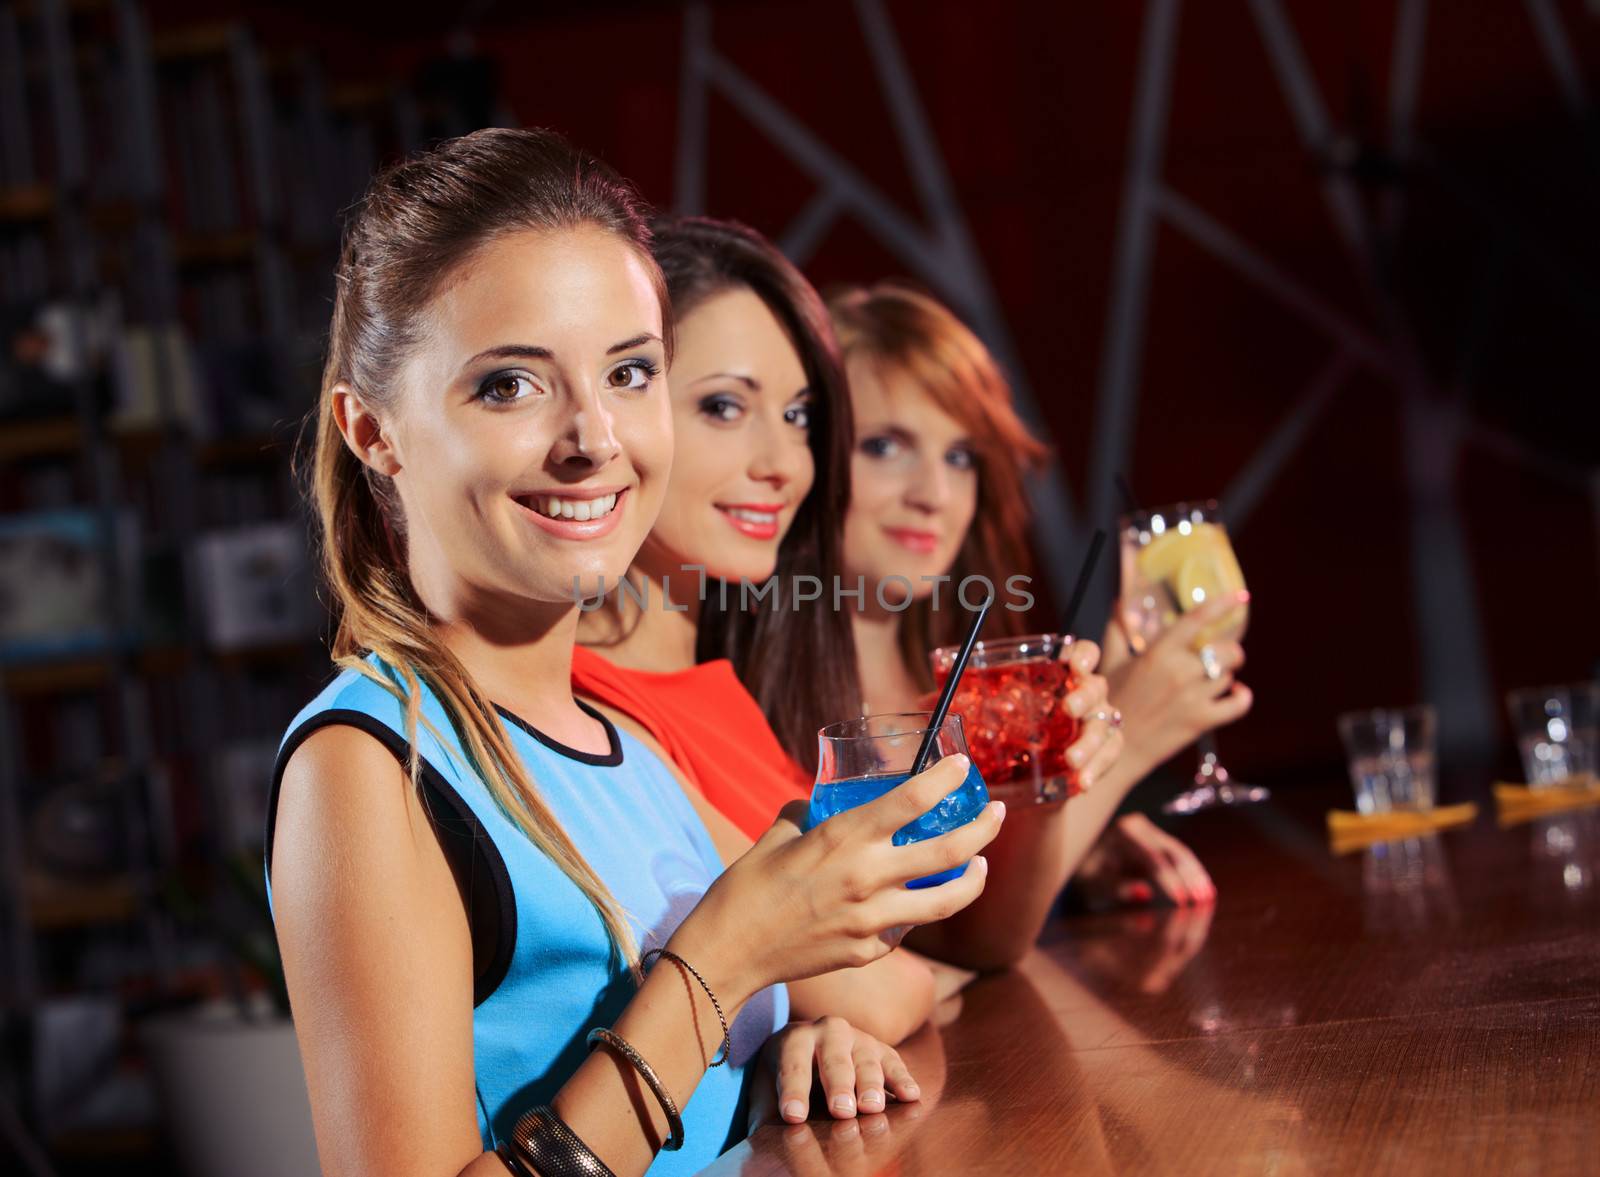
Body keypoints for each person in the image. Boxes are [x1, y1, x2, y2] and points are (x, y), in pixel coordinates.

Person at [264, 130, 1002, 1177]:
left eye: (628, 373)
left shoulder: (621, 745)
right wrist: (721, 962)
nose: (593, 439)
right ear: (372, 431)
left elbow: (682, 1104)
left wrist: (794, 1048)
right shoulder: (369, 766)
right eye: (509, 386)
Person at [574, 217, 1120, 982]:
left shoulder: (713, 690)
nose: (783, 462)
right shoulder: (592, 707)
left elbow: (914, 945)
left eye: (799, 418)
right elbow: (878, 978)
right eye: (725, 406)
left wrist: (1046, 796)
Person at [828, 282, 1245, 929]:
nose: (935, 492)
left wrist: (1070, 843)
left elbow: (977, 921)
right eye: (884, 445)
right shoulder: (771, 713)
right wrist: (1123, 742)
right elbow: (960, 947)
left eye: (961, 455)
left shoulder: (973, 688)